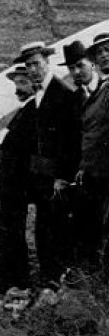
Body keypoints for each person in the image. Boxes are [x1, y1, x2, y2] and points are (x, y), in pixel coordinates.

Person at [16, 41, 81, 284]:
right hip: (41, 177)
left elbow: (71, 142)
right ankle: (47, 279)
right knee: (43, 227)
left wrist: (62, 177)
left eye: (37, 64)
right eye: (29, 65)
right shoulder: (38, 95)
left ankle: (57, 279)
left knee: (57, 229)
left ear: (47, 63)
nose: (33, 69)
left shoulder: (63, 93)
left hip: (56, 178)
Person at [0, 66, 36, 292]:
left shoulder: (33, 110)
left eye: (23, 83)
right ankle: (11, 277)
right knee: (8, 232)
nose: (18, 88)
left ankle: (12, 280)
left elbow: (23, 147)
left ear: (34, 83)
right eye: (16, 83)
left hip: (17, 185)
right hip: (12, 185)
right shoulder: (25, 109)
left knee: (10, 233)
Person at [62, 41, 101, 267]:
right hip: (84, 174)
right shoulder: (72, 100)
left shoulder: (105, 90)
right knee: (84, 220)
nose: (76, 72)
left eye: (80, 66)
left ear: (92, 64)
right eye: (71, 69)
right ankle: (86, 267)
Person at [74, 32, 109, 275]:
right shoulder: (102, 90)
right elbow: (92, 134)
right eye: (100, 52)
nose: (105, 55)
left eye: (108, 49)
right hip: (99, 172)